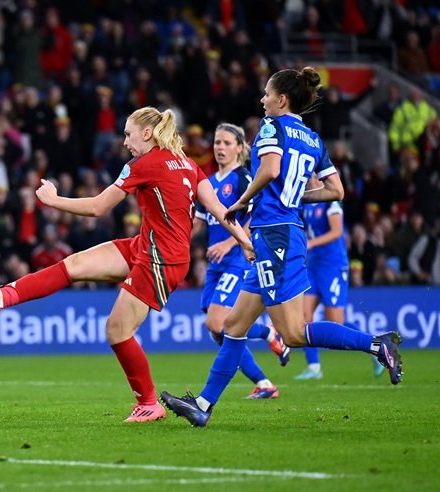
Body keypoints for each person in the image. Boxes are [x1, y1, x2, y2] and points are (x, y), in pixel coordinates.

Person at [0, 107, 255, 422]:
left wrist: (53, 200)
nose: (125, 141)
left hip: (160, 258)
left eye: (129, 134)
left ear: (147, 134)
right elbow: (219, 208)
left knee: (117, 331)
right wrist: (245, 242)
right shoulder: (188, 164)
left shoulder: (144, 164)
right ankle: (1, 297)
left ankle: (149, 403)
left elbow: (97, 207)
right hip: (149, 246)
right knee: (73, 265)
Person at [160, 67, 404, 427]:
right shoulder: (312, 138)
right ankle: (203, 405)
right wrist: (296, 196)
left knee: (293, 332)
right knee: (233, 324)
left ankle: (376, 344)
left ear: (282, 99)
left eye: (266, 94)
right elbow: (336, 190)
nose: (262, 100)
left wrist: (243, 199)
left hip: (275, 235)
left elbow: (271, 170)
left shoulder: (272, 127)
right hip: (280, 233)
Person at [193, 122, 290, 399]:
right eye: (216, 142)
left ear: (239, 148)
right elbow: (200, 223)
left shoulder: (243, 178)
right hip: (216, 263)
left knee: (217, 323)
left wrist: (229, 241)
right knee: (221, 333)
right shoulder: (208, 182)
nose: (220, 147)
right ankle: (264, 384)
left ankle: (269, 333)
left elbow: (254, 217)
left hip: (238, 258)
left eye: (226, 143)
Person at [296, 175, 384, 380]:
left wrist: (311, 243)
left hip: (333, 265)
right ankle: (314, 367)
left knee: (336, 320)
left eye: (312, 171)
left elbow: (337, 232)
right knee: (303, 317)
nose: (308, 175)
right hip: (313, 266)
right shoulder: (305, 200)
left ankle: (375, 346)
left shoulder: (330, 200)